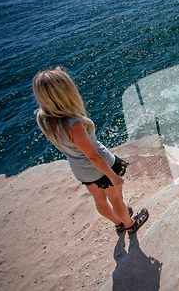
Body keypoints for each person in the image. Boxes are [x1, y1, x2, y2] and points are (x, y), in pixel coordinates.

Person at [32, 67, 148, 234]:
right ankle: (130, 225)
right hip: (101, 168)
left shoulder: (42, 118)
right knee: (117, 200)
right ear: (65, 93)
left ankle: (118, 223)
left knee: (100, 201)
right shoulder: (74, 125)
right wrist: (113, 176)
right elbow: (93, 156)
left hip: (81, 171)